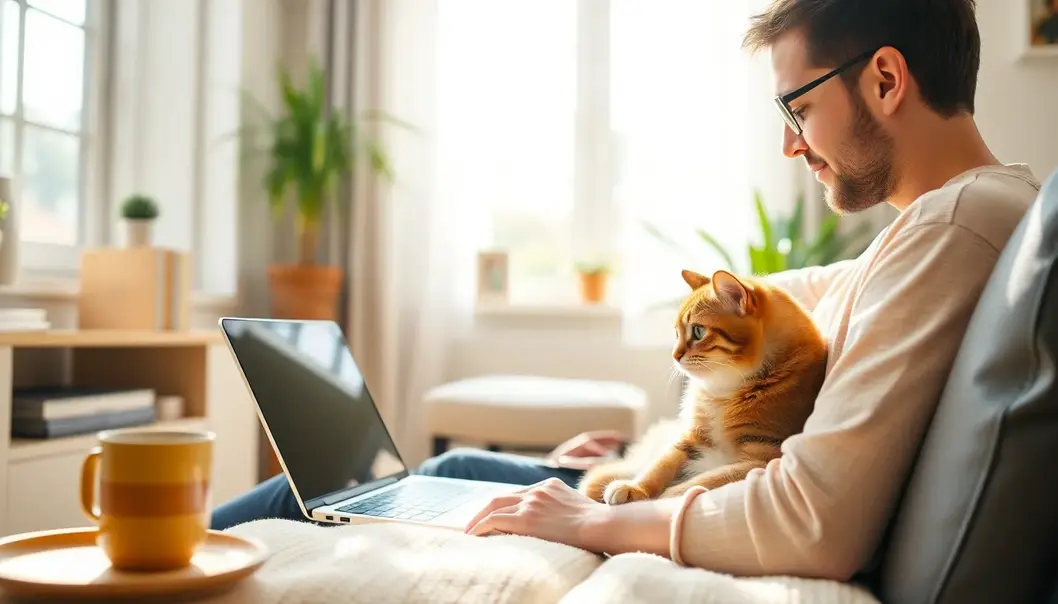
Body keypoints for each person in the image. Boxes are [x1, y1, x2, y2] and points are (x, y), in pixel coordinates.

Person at [212, 0, 1043, 581]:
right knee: (417, 473)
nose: (791, 146)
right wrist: (637, 457)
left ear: (887, 80)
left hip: (703, 509)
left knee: (329, 494)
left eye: (797, 109)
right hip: (686, 480)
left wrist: (594, 521)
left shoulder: (953, 227)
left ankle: (136, 562)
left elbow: (811, 521)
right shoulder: (950, 222)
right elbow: (792, 297)